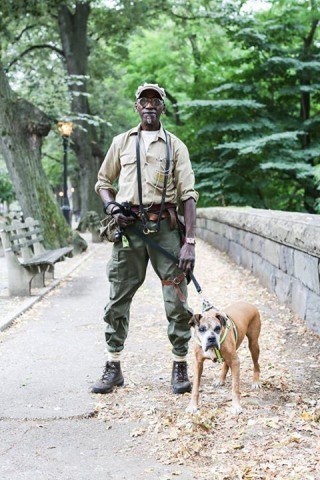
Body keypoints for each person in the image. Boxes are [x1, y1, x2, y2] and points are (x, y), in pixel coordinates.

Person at [92, 83, 198, 395]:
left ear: (162, 107)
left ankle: (180, 366)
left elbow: (188, 196)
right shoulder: (121, 142)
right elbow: (102, 182)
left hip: (165, 230)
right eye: (144, 101)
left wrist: (189, 242)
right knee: (118, 297)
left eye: (155, 101)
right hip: (129, 230)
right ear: (137, 107)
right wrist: (112, 207)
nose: (149, 105)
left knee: (177, 299)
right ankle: (114, 367)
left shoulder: (175, 146)